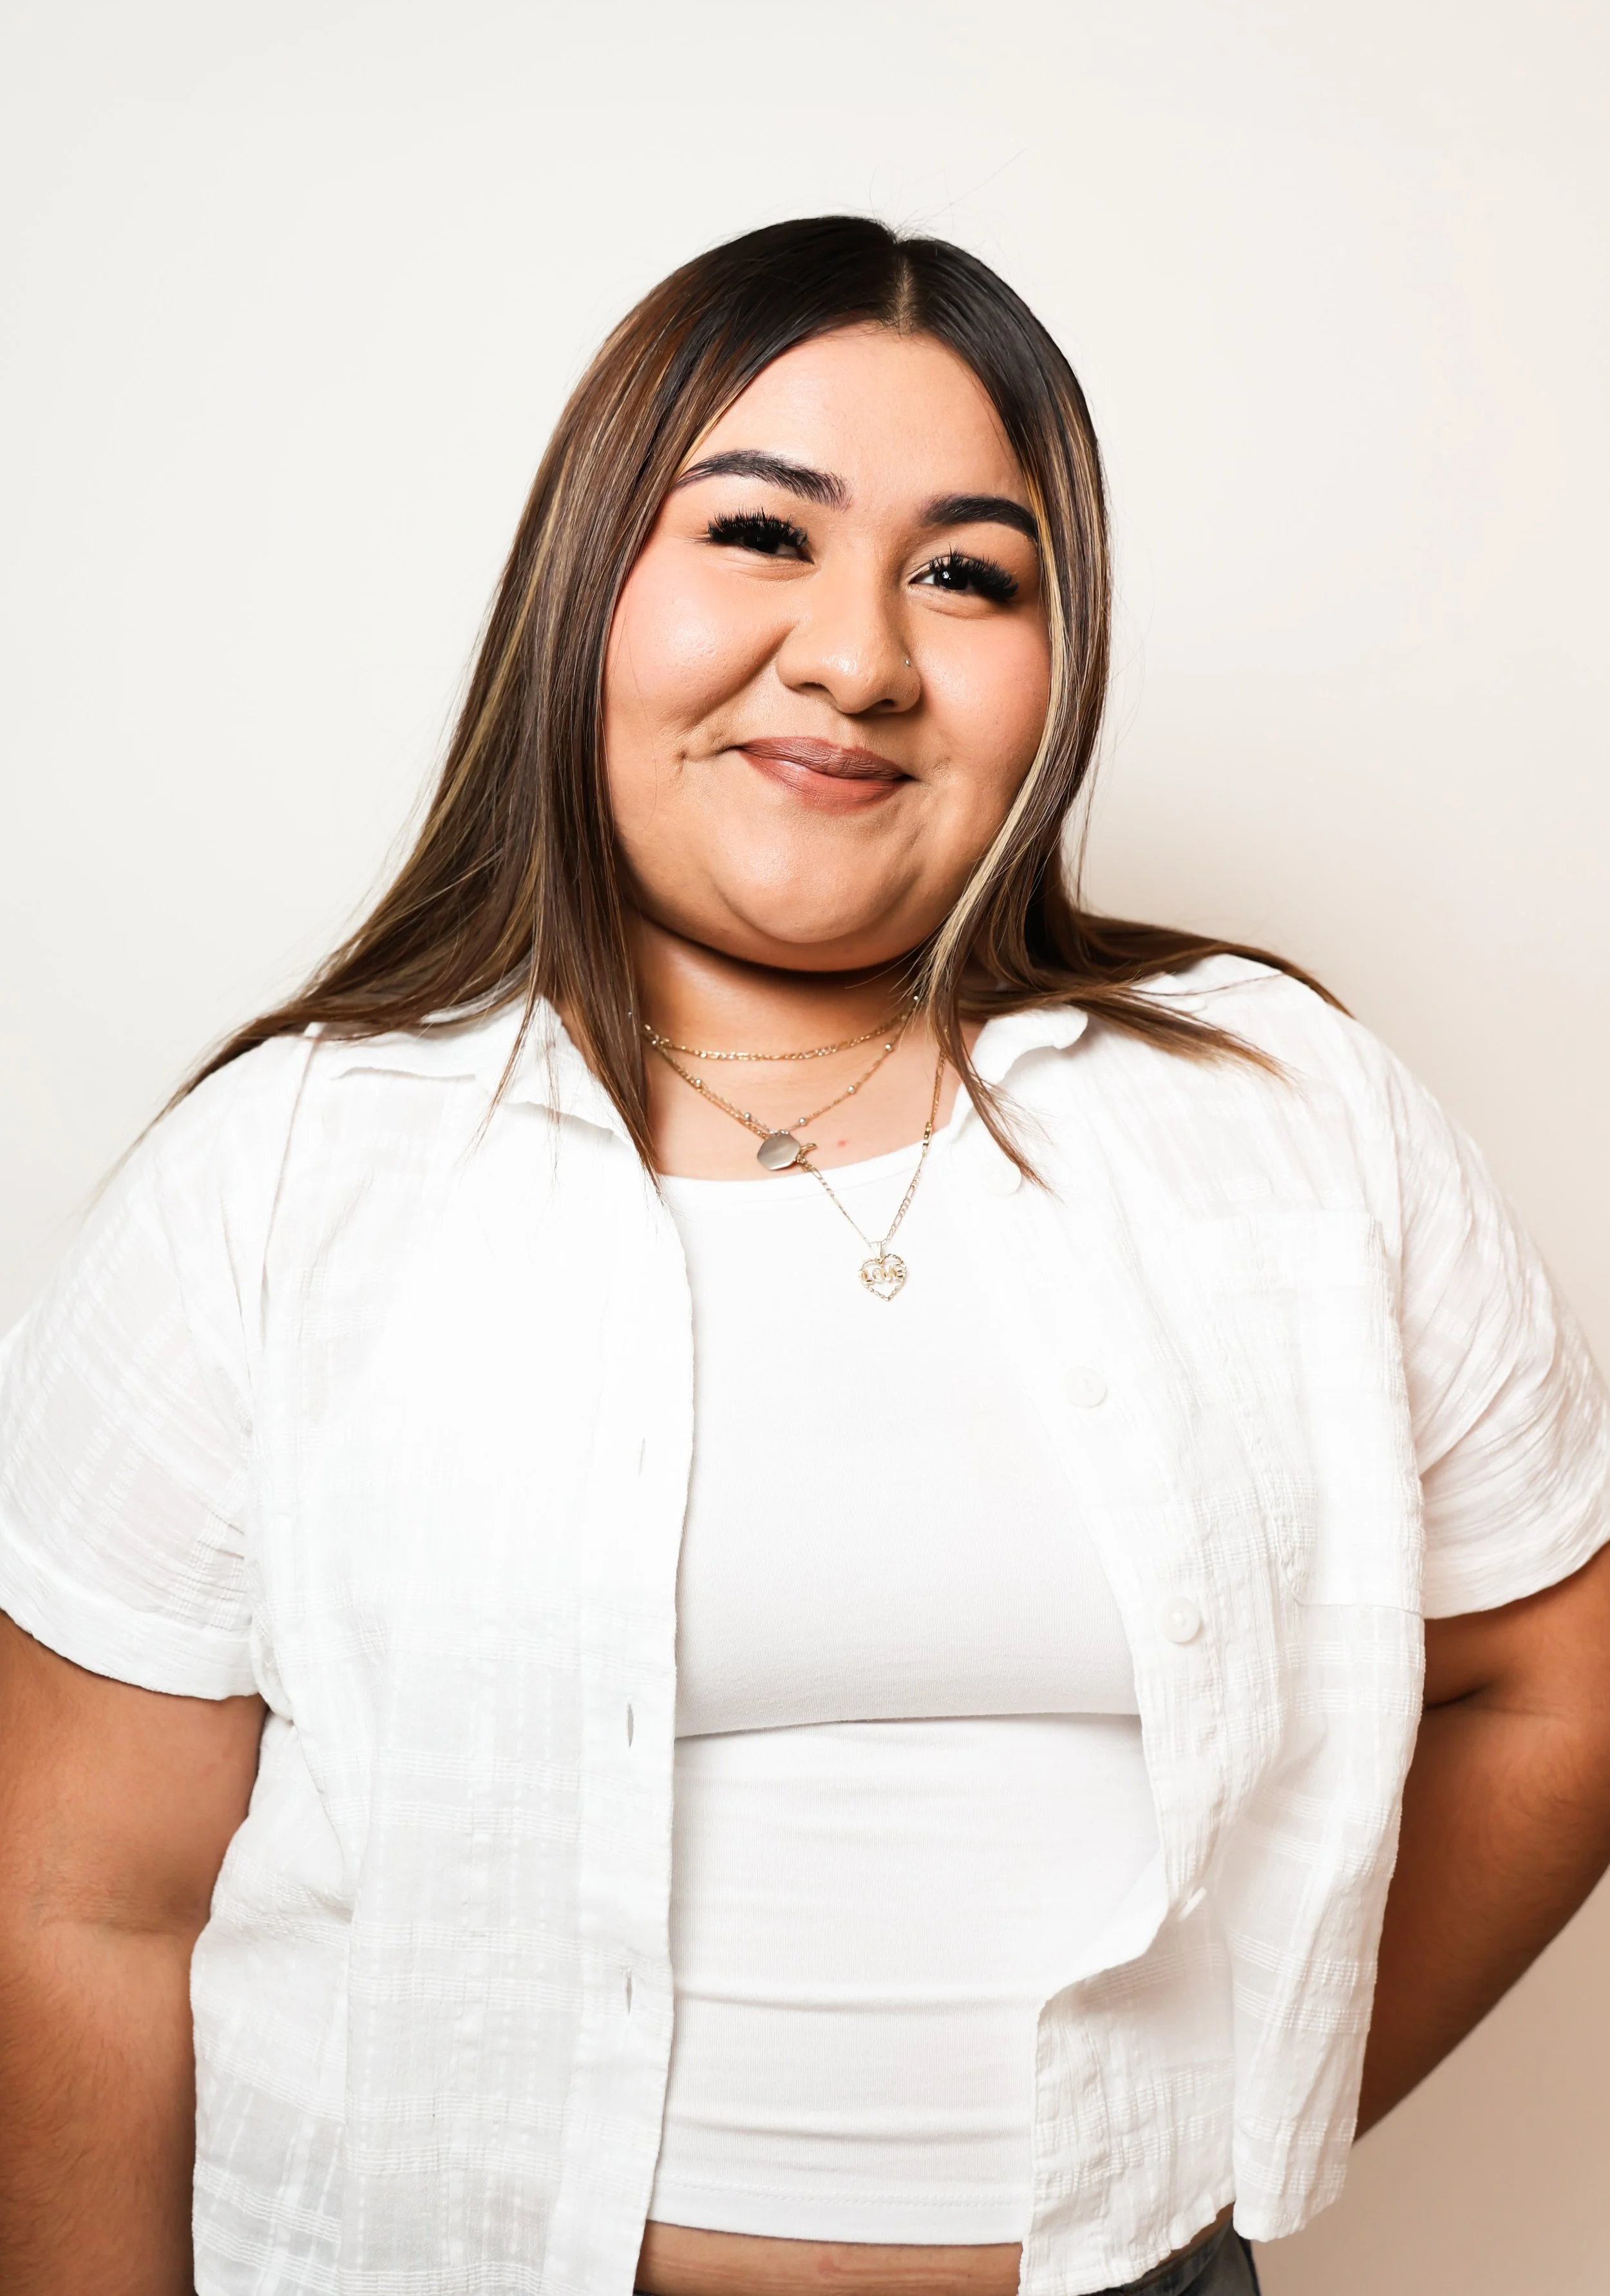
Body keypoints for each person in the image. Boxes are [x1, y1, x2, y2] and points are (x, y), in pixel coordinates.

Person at [2, 216, 1608, 2296]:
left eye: (969, 574)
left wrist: (1227, 2119)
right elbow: (80, 1900)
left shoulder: (1282, 1111)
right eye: (761, 532)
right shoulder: (289, 1166)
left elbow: (1552, 1680)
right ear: (586, 590)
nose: (859, 657)